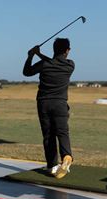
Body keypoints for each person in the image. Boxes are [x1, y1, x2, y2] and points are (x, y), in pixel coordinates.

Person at [23, 38, 74, 179]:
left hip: (44, 104)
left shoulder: (44, 64)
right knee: (62, 132)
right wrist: (39, 54)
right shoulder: (70, 65)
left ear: (54, 49)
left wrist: (31, 55)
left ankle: (52, 166)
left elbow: (27, 72)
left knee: (48, 135)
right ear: (67, 50)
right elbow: (55, 62)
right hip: (60, 104)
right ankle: (67, 156)